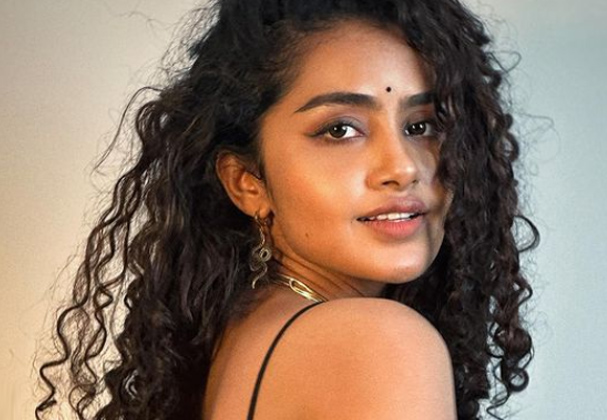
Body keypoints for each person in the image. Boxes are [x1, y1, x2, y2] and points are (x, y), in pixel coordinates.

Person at [36, 0, 538, 419]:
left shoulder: (251, 331)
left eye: (422, 126)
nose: (403, 168)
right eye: (340, 129)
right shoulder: (379, 343)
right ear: (247, 182)